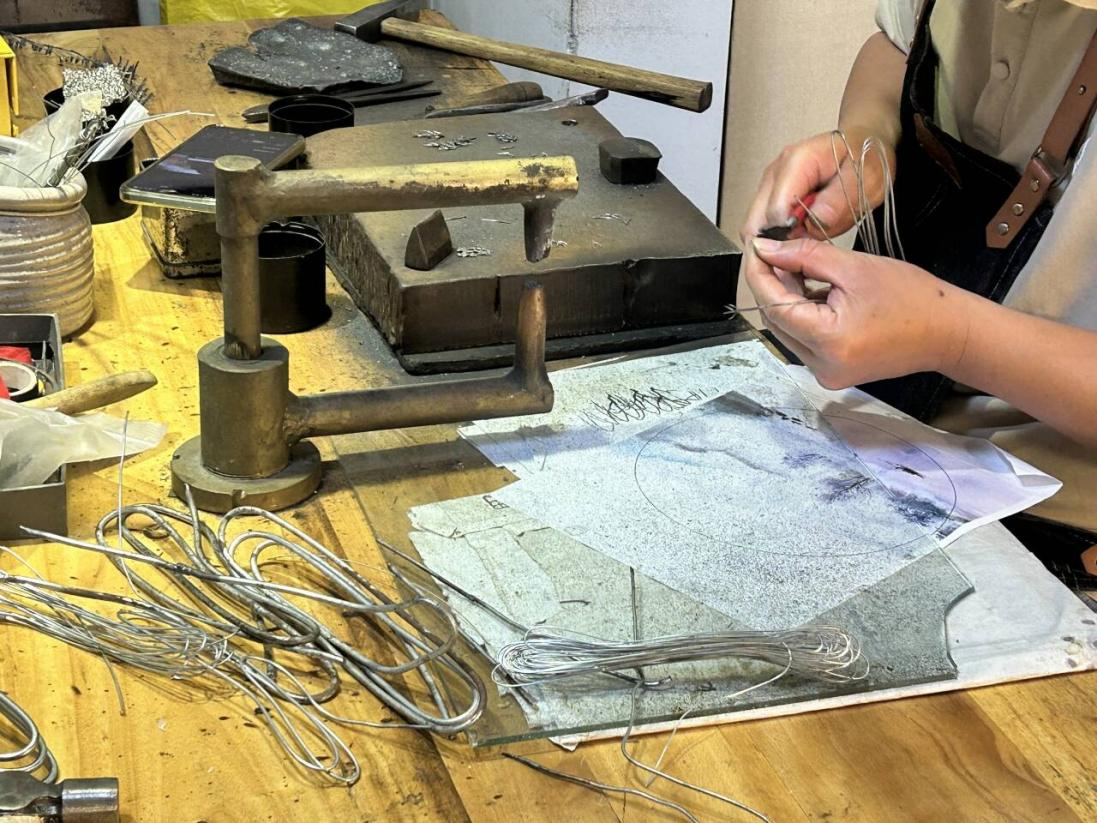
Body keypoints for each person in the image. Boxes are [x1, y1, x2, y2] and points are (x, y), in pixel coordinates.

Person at [741, 0, 1097, 583]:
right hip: (874, 426)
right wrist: (865, 137)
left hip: (1050, 523)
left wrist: (955, 337)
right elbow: (896, 45)